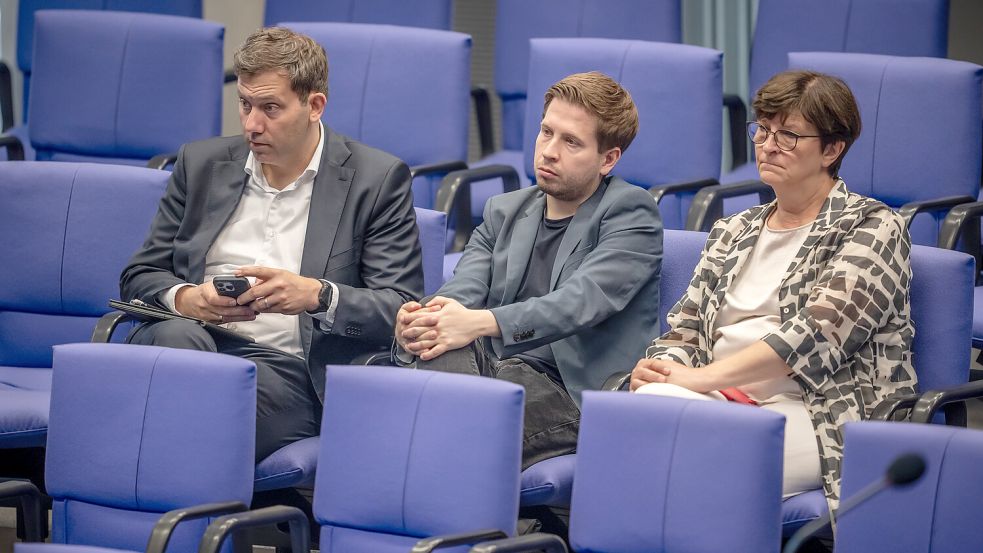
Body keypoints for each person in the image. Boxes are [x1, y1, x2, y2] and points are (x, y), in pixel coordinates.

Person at [121, 27, 423, 462]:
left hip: (289, 368)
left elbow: (400, 307)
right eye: (244, 104)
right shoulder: (200, 164)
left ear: (314, 105)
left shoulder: (375, 181)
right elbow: (139, 275)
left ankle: (156, 513)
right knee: (176, 343)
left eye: (270, 108)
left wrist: (317, 296)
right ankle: (184, 515)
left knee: (188, 412)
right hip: (193, 340)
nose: (251, 125)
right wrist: (188, 299)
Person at [630, 70, 915, 512]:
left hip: (818, 410)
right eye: (762, 130)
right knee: (639, 413)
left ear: (832, 149)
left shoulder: (874, 226)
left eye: (788, 136)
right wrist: (665, 368)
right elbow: (684, 330)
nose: (767, 146)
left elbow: (815, 334)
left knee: (696, 465)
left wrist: (701, 378)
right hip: (720, 400)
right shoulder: (733, 229)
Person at [396, 71, 663, 468]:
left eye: (571, 141)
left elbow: (578, 303)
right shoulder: (504, 210)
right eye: (546, 132)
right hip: (493, 369)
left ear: (608, 159)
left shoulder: (632, 214)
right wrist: (429, 318)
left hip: (569, 387)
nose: (549, 151)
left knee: (458, 424)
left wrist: (480, 322)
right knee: (437, 357)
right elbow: (465, 285)